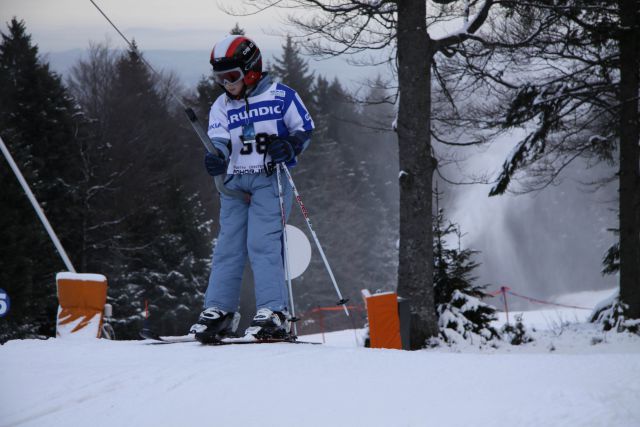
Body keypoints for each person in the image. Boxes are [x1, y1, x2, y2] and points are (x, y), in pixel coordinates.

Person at [189, 35, 314, 343]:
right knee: (228, 246)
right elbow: (218, 140)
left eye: (231, 76)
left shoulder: (280, 96)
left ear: (251, 70)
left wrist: (291, 145)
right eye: (220, 78)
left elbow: (304, 128)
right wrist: (216, 158)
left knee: (262, 243)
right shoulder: (222, 106)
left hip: (269, 179)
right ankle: (220, 310)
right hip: (233, 184)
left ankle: (273, 311)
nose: (226, 84)